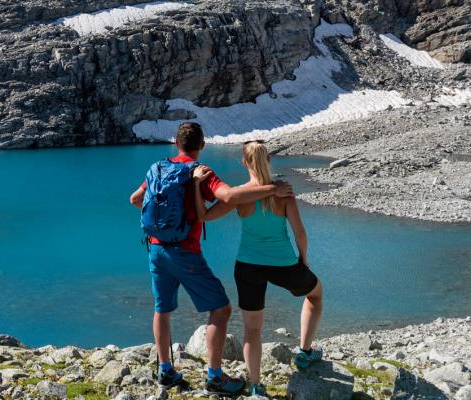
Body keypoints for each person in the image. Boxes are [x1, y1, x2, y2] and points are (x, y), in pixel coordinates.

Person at [128, 123, 293, 395]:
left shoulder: (158, 168)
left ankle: (166, 370)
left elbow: (135, 200)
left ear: (176, 143)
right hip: (185, 251)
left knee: (163, 309)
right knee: (220, 309)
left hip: (156, 249)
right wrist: (270, 189)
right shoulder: (200, 172)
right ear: (201, 145)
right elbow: (228, 196)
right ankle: (215, 376)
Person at [201, 140, 325, 398]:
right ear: (268, 160)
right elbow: (299, 232)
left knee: (252, 329)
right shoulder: (284, 193)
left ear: (244, 163)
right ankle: (304, 353)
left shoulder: (238, 195)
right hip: (284, 265)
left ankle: (256, 386)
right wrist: (304, 260)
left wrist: (194, 186)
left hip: (247, 267)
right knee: (314, 294)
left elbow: (205, 216)